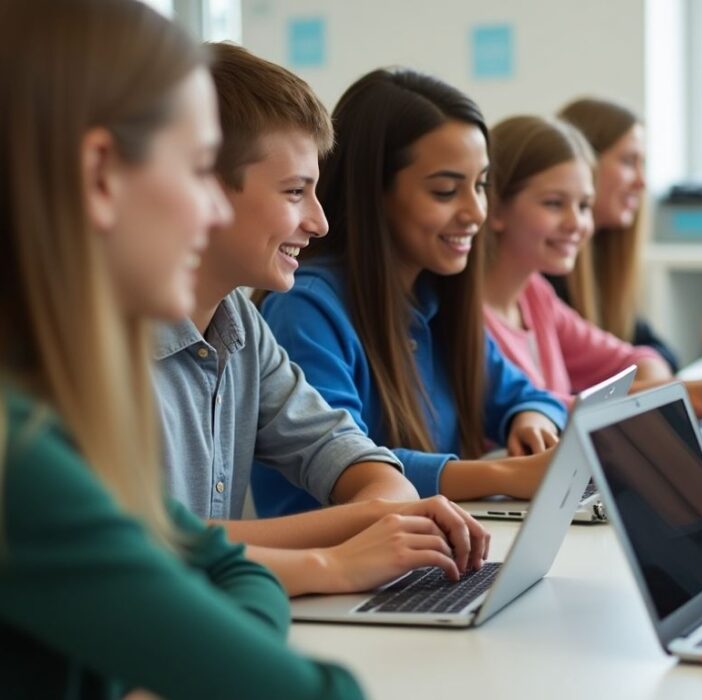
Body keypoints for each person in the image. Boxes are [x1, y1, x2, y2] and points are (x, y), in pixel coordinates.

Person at [0, 1, 361, 696]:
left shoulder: (56, 408)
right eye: (200, 169)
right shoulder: (21, 456)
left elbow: (231, 567)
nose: (217, 209)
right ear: (102, 174)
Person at [152, 43, 488, 596]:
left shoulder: (241, 322)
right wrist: (345, 554)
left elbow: (376, 477)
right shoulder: (98, 346)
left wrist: (382, 521)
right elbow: (150, 547)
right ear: (204, 191)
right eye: (293, 193)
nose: (319, 221)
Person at [254, 69, 567, 516]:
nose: (476, 212)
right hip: (340, 566)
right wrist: (506, 476)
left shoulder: (432, 299)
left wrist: (531, 419)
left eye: (480, 185)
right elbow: (349, 466)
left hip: (416, 551)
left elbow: (524, 394)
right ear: (373, 193)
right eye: (445, 191)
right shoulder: (305, 307)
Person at [481, 115, 702, 420]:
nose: (576, 224)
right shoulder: (469, 318)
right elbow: (538, 409)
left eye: (584, 206)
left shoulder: (534, 294)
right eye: (554, 204)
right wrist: (676, 390)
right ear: (497, 208)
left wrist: (668, 389)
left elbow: (638, 357)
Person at [548, 97, 681, 371]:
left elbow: (663, 352)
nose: (642, 181)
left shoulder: (602, 255)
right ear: (585, 164)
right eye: (629, 162)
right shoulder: (546, 270)